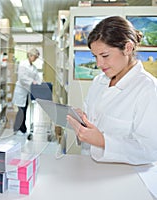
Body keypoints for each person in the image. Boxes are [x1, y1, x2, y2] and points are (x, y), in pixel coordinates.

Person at [67, 16, 157, 165]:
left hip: (123, 178)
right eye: (95, 56)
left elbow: (150, 150)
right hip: (89, 167)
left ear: (127, 48)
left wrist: (103, 141)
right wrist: (82, 120)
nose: (98, 63)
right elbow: (94, 120)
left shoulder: (148, 89)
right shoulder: (99, 81)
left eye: (105, 55)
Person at [12, 48, 42, 135]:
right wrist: (32, 82)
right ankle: (18, 128)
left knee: (24, 110)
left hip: (26, 92)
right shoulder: (23, 64)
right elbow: (22, 78)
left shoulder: (33, 67)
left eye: (37, 57)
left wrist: (39, 83)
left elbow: (37, 77)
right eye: (35, 57)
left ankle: (22, 128)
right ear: (30, 55)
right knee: (21, 111)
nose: (35, 59)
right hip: (21, 91)